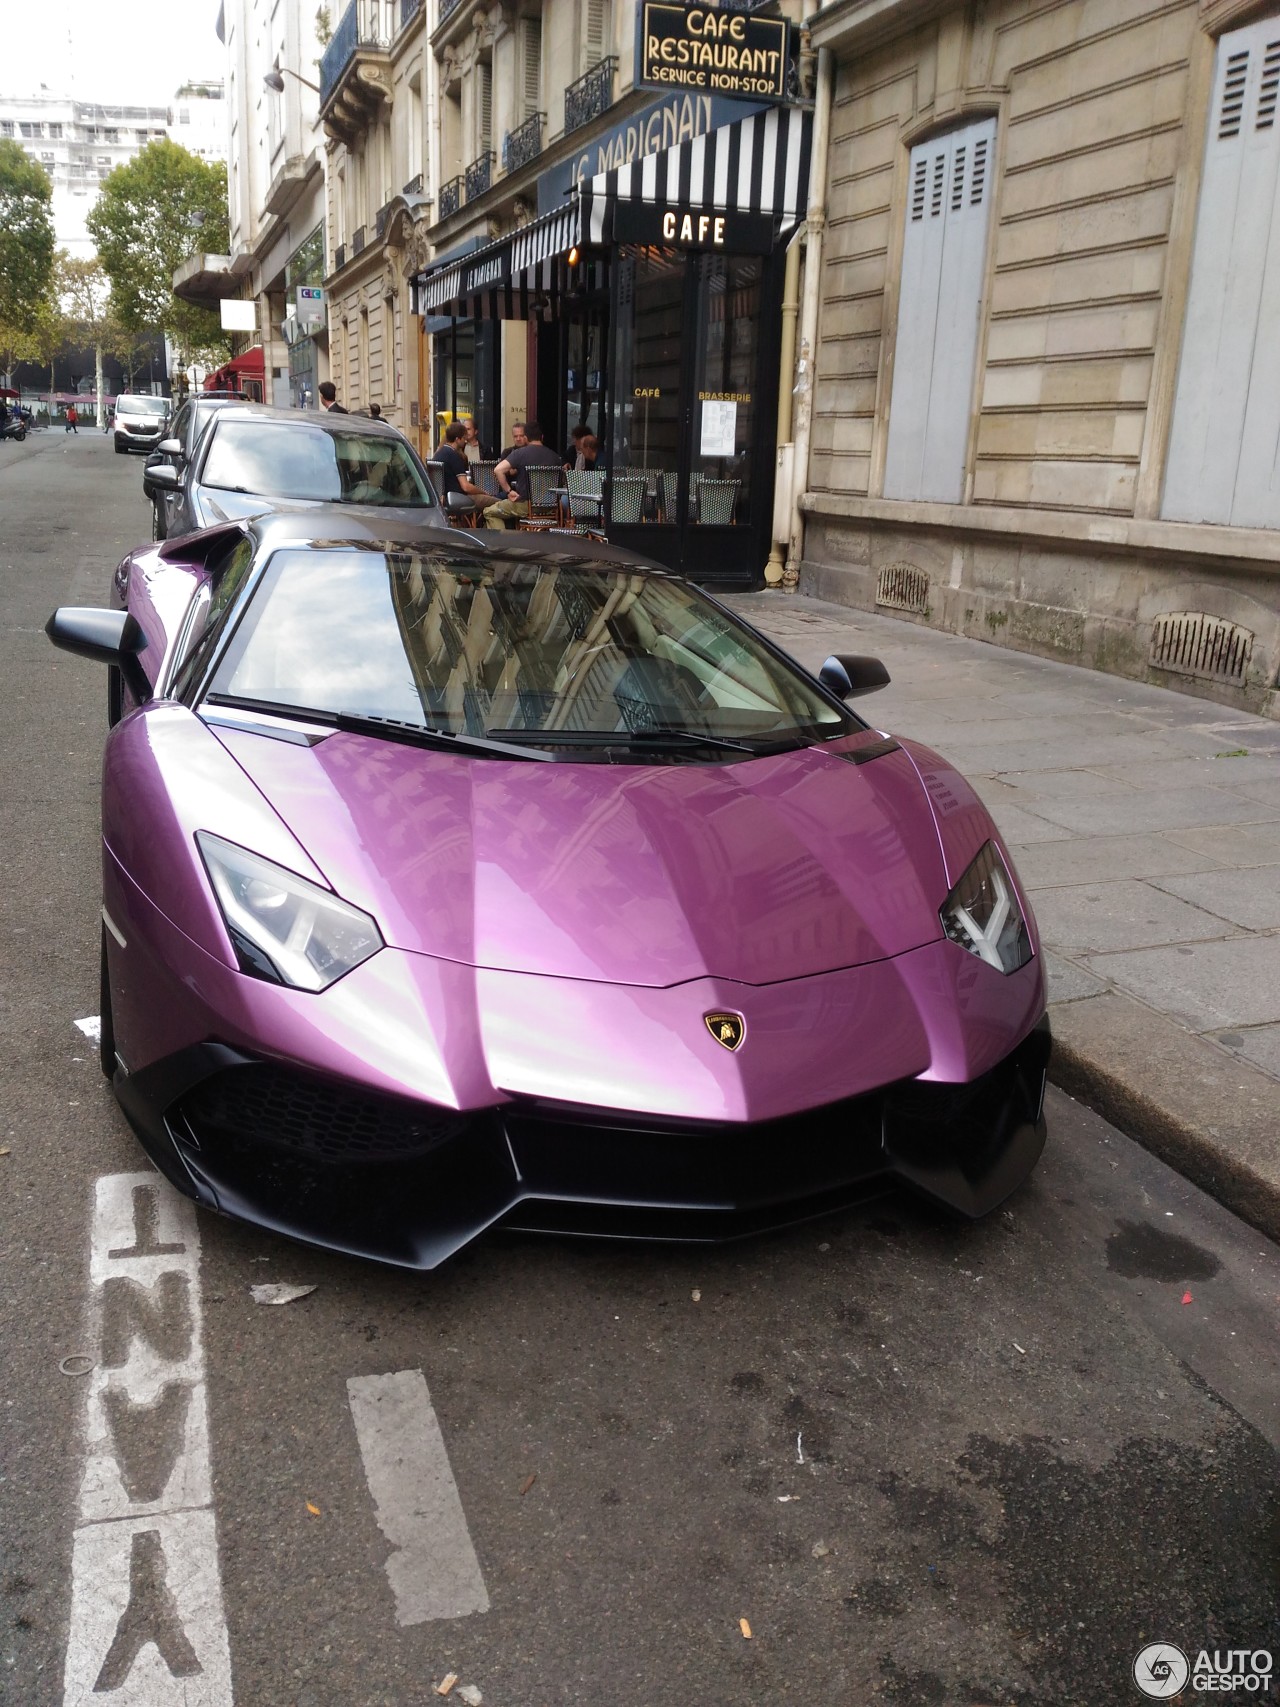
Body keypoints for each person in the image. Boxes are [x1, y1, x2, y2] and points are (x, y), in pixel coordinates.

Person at [483, 421, 561, 530]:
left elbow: (498, 470)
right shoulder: (555, 457)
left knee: (489, 512)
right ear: (542, 437)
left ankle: (503, 543)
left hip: (526, 505)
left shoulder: (520, 453)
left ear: (526, 437)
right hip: (551, 507)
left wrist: (509, 491)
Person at [432, 420, 497, 518]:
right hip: (459, 498)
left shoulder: (439, 453)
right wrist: (484, 493)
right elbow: (466, 486)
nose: (465, 440)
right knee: (499, 503)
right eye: (463, 438)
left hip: (443, 498)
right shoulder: (454, 455)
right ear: (458, 439)